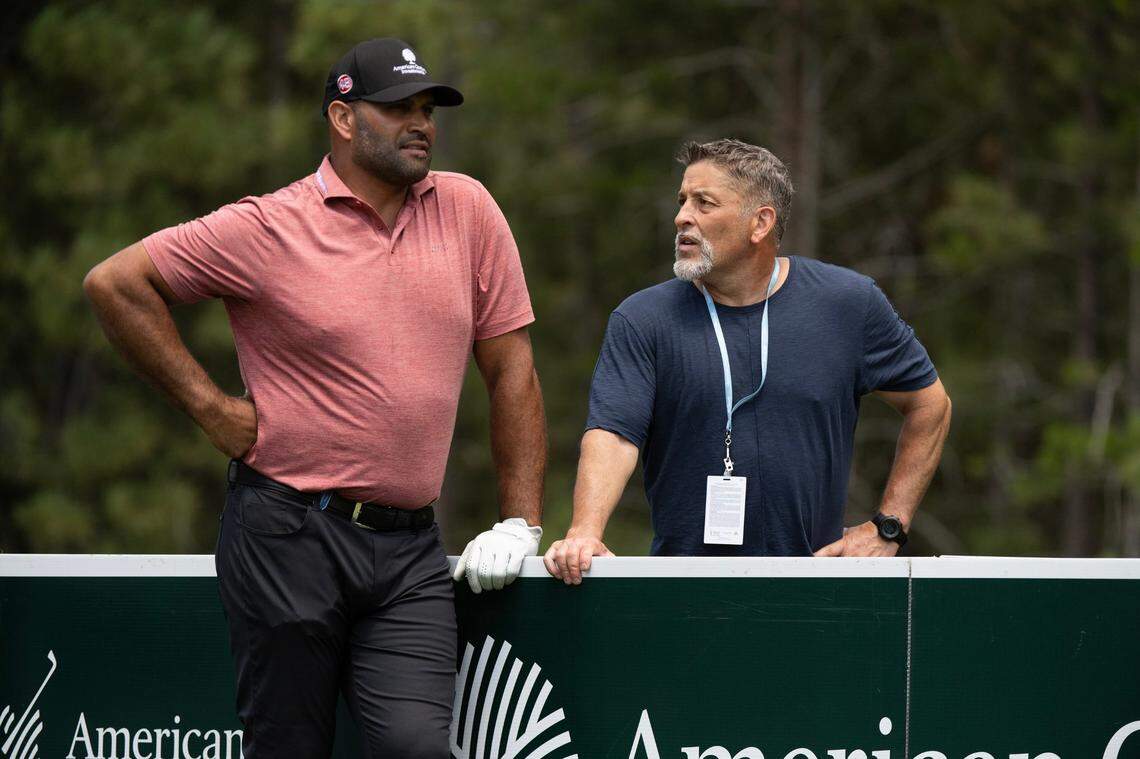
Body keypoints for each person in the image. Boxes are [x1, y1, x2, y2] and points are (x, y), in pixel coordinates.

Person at [84, 38, 546, 758]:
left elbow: (512, 368)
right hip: (288, 533)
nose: (420, 123)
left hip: (409, 553)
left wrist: (520, 520)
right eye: (397, 107)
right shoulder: (269, 225)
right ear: (342, 116)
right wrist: (211, 409)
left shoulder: (468, 209)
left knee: (418, 747)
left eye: (426, 108)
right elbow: (114, 283)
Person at [544, 138, 951, 583]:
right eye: (682, 201)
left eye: (704, 203)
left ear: (760, 223)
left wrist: (888, 527)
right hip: (680, 592)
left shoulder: (847, 304)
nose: (682, 216)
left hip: (818, 587)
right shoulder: (642, 319)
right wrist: (585, 531)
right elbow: (614, 435)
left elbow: (930, 405)